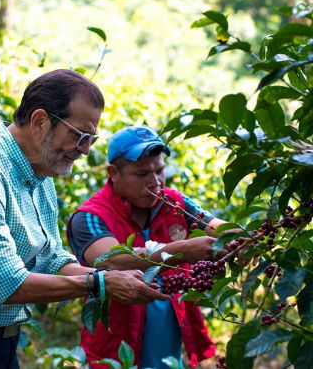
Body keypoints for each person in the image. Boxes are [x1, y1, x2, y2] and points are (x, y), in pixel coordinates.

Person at [0, 70, 169, 369]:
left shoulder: (40, 177)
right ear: (40, 121)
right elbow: (7, 285)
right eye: (78, 136)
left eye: (90, 139)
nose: (84, 150)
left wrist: (118, 279)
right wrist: (101, 283)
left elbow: (50, 257)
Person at [68, 126, 230, 369]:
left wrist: (241, 235)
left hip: (167, 342)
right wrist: (183, 250)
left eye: (160, 171)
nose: (155, 182)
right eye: (142, 174)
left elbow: (216, 227)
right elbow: (111, 259)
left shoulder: (174, 203)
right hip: (116, 346)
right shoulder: (90, 216)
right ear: (113, 173)